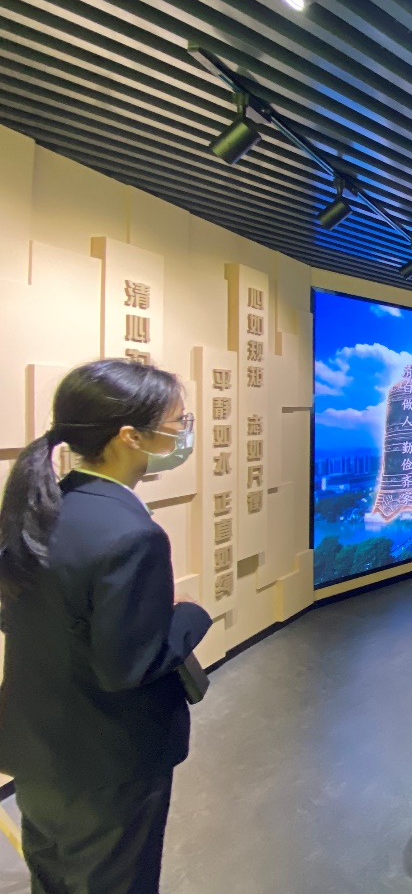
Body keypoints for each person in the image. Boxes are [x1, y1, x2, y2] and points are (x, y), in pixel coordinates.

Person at [0, 360, 212, 894]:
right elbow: (129, 666)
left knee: (52, 876)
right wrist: (189, 614)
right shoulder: (131, 533)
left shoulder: (39, 507)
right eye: (178, 422)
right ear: (130, 436)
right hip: (109, 761)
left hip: (37, 745)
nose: (184, 432)